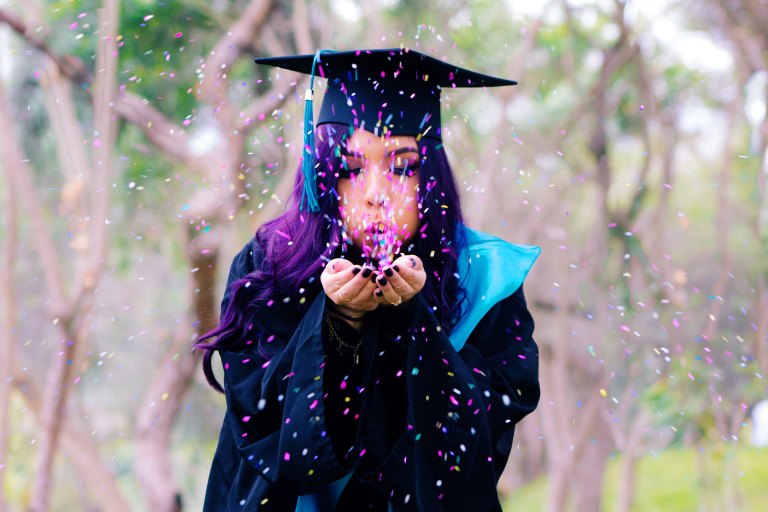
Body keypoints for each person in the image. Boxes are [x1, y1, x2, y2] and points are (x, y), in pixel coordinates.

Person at [196, 48, 541, 511]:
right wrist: (339, 326)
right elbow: (266, 440)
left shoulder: (484, 276)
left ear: (431, 177)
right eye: (352, 169)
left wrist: (412, 325)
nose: (377, 194)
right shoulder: (271, 266)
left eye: (402, 167)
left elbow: (474, 450)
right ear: (324, 175)